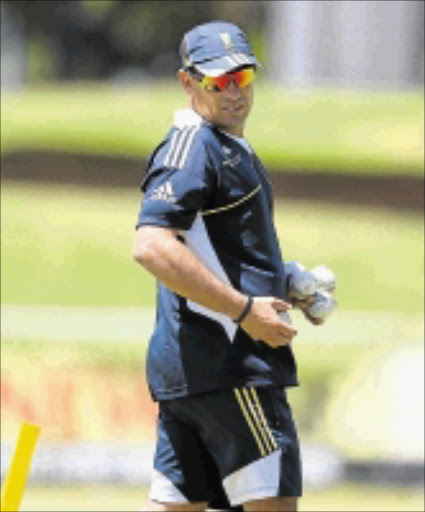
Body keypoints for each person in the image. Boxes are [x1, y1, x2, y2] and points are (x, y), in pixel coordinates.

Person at [133, 20, 323, 512]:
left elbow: (215, 249)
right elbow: (152, 245)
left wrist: (284, 282)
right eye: (218, 81)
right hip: (231, 364)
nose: (232, 91)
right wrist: (244, 311)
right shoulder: (195, 146)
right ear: (187, 82)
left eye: (241, 78)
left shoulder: (224, 147)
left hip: (198, 371)